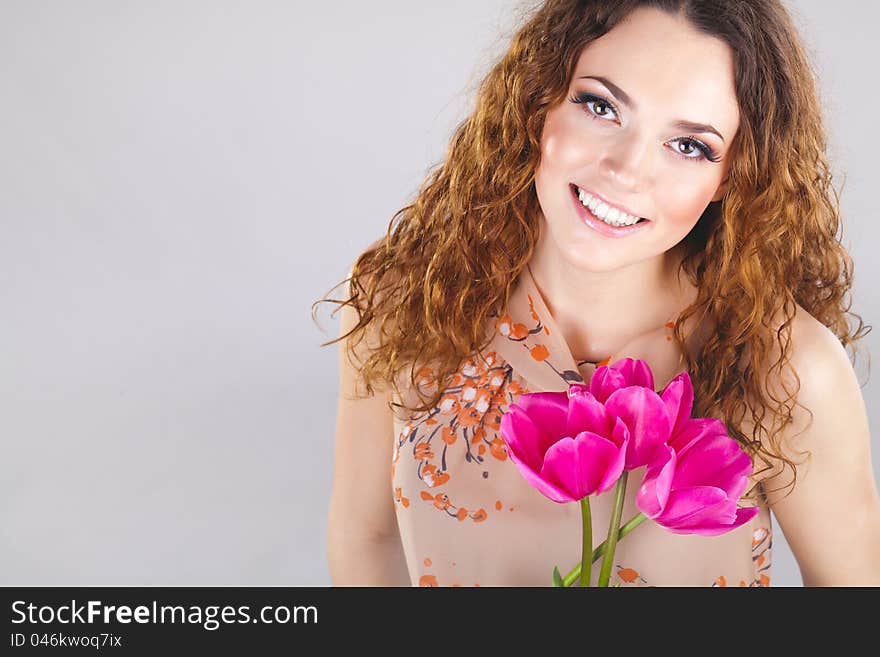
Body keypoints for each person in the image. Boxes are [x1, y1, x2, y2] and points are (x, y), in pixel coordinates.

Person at [316, 0, 880, 586]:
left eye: (689, 146)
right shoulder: (404, 301)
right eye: (601, 106)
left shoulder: (787, 367)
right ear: (539, 97)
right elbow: (366, 538)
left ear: (731, 177)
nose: (627, 171)